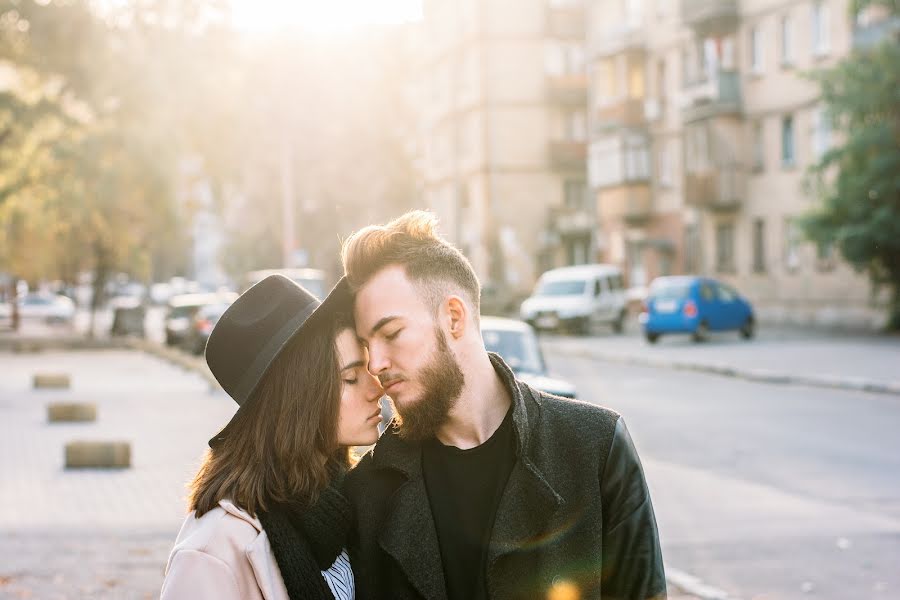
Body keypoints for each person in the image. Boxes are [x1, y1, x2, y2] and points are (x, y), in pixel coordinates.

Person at [341, 212, 667, 600]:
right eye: (366, 346)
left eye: (391, 334)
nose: (375, 364)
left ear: (454, 317)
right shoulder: (367, 490)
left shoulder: (596, 448)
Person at [160, 274, 384, 600]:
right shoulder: (212, 553)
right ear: (297, 399)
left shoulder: (340, 503)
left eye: (368, 370)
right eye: (351, 378)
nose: (376, 388)